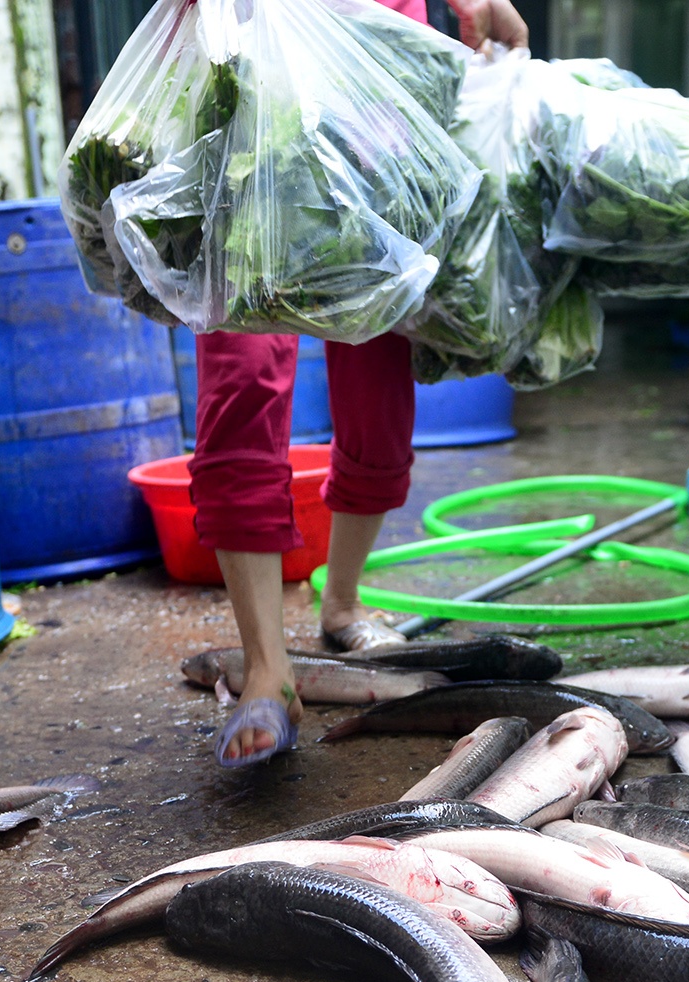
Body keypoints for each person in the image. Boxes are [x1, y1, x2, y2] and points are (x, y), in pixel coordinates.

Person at [193, 0, 529, 767]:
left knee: (379, 392)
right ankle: (267, 670)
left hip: (378, 114)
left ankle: (340, 601)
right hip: (251, 101)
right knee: (243, 375)